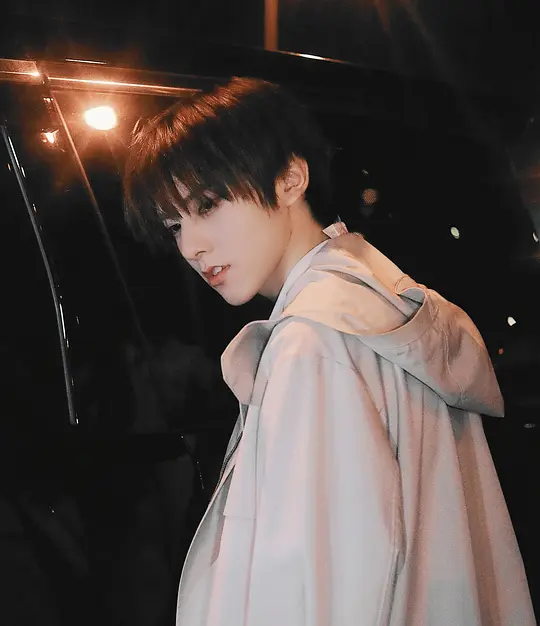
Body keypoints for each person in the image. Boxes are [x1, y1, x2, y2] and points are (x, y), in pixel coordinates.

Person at [123, 77, 536, 626]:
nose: (192, 246)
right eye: (175, 225)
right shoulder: (375, 302)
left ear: (290, 180)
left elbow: (323, 585)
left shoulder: (312, 343)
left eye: (208, 204)